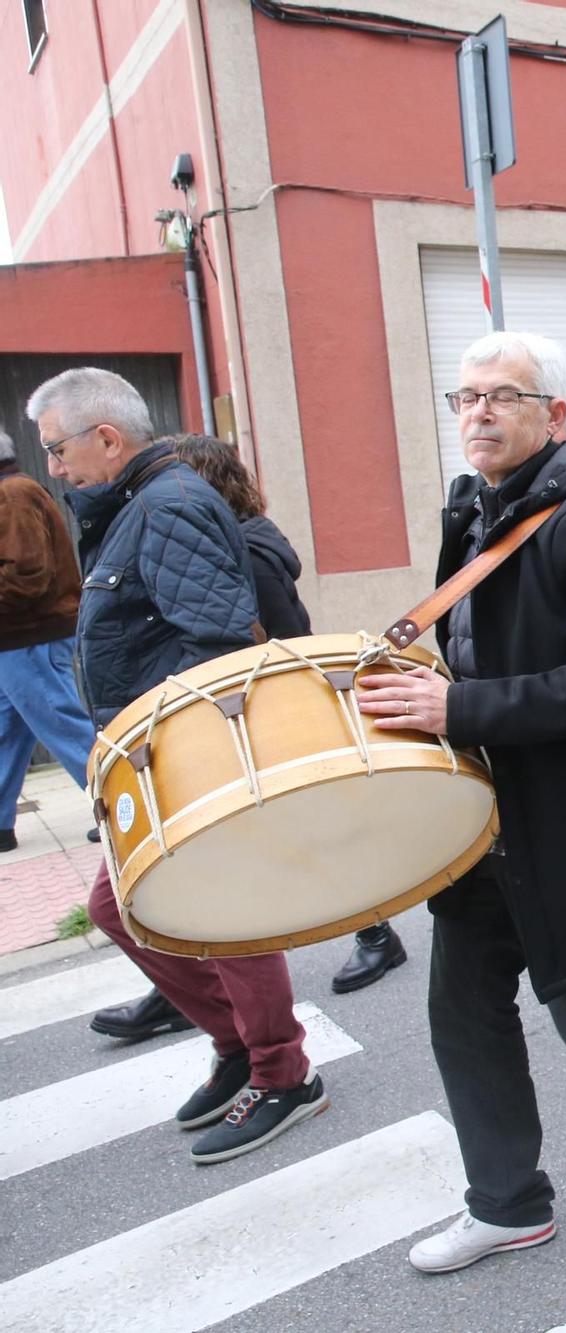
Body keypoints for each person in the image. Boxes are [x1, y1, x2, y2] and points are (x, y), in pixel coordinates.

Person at [359, 331, 566, 1274]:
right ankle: (506, 1201)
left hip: (563, 819)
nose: (477, 413)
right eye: (464, 396)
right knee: (463, 1003)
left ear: (554, 415)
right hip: (491, 814)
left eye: (501, 397)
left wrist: (457, 706)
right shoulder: (474, 509)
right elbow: (477, 644)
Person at [32, 367, 326, 1163]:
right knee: (120, 908)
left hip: (183, 753)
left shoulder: (165, 507)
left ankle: (282, 1070)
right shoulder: (135, 506)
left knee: (222, 915)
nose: (54, 468)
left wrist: (169, 746)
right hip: (147, 752)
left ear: (106, 438)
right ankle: (237, 1044)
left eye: (58, 449)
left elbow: (221, 644)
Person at [167, 433, 410, 995]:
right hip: (256, 705)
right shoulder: (235, 543)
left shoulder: (247, 551)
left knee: (315, 823)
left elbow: (285, 639)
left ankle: (376, 934)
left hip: (272, 706)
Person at [0, 428, 98, 858]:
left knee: (64, 722)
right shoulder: (12, 493)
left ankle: (121, 807)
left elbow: (25, 575)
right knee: (6, 730)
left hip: (28, 635)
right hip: (19, 637)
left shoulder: (13, 495)